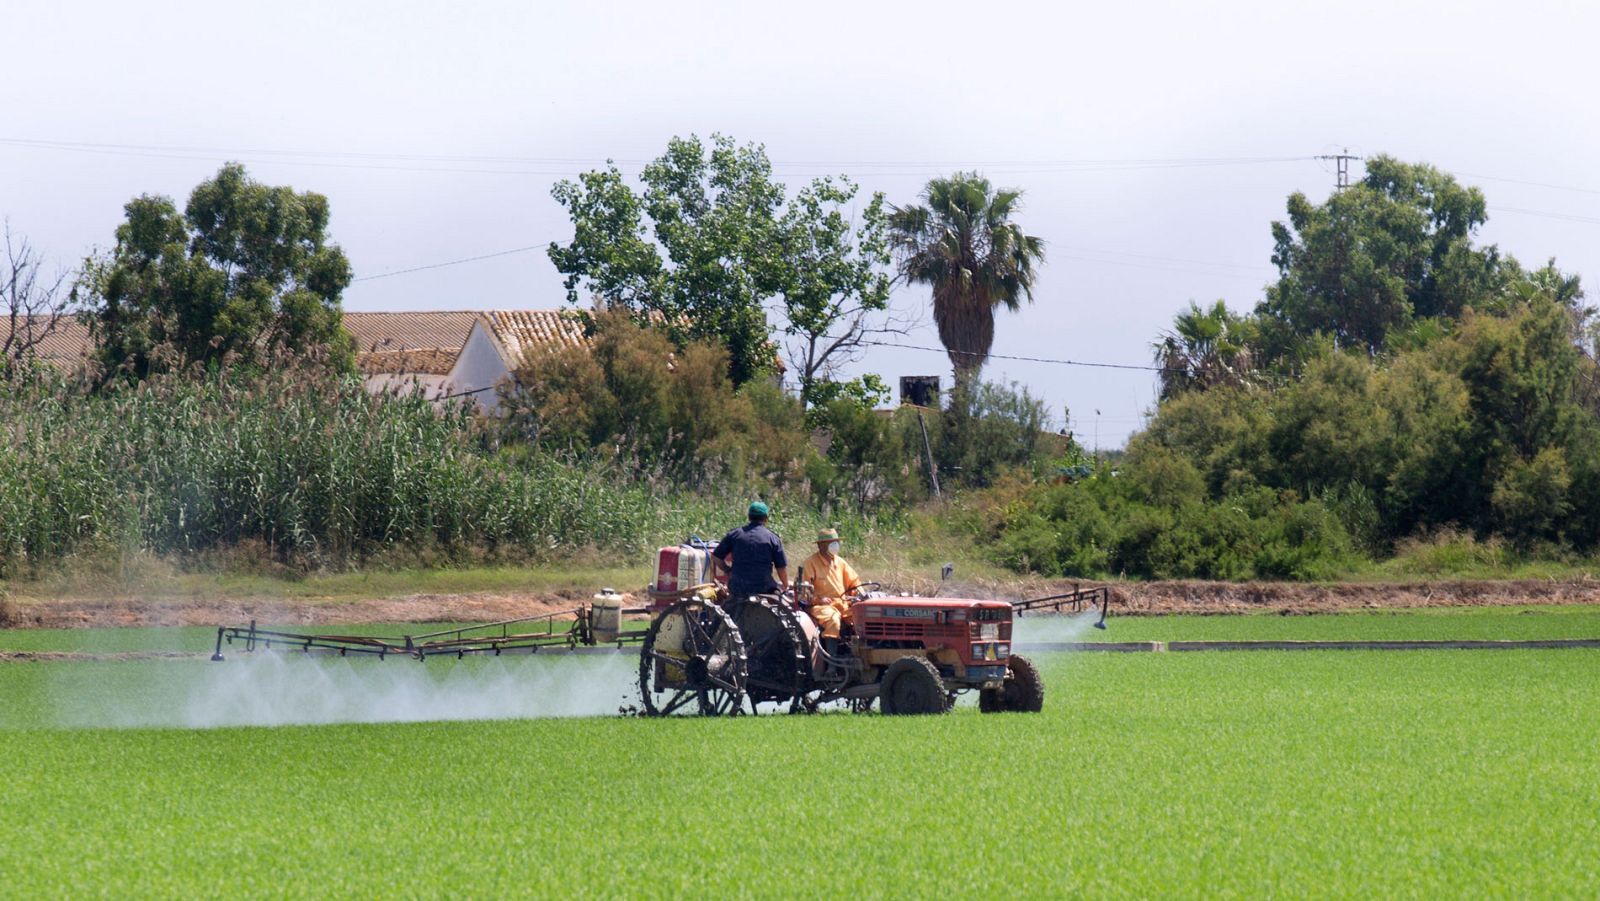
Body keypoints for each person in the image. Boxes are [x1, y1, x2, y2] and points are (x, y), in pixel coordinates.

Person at [712, 501, 789, 601]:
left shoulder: (734, 534)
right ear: (766, 518)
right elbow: (781, 568)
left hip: (737, 586)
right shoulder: (773, 538)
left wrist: (728, 570)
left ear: (749, 517)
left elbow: (716, 557)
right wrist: (786, 586)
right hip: (764, 588)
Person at [797, 528, 862, 641]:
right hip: (819, 606)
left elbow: (854, 582)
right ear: (821, 545)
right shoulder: (810, 564)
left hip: (842, 604)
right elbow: (803, 594)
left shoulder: (840, 562)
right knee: (833, 620)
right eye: (832, 543)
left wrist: (859, 595)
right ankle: (832, 655)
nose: (836, 545)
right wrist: (818, 600)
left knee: (861, 616)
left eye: (837, 542)